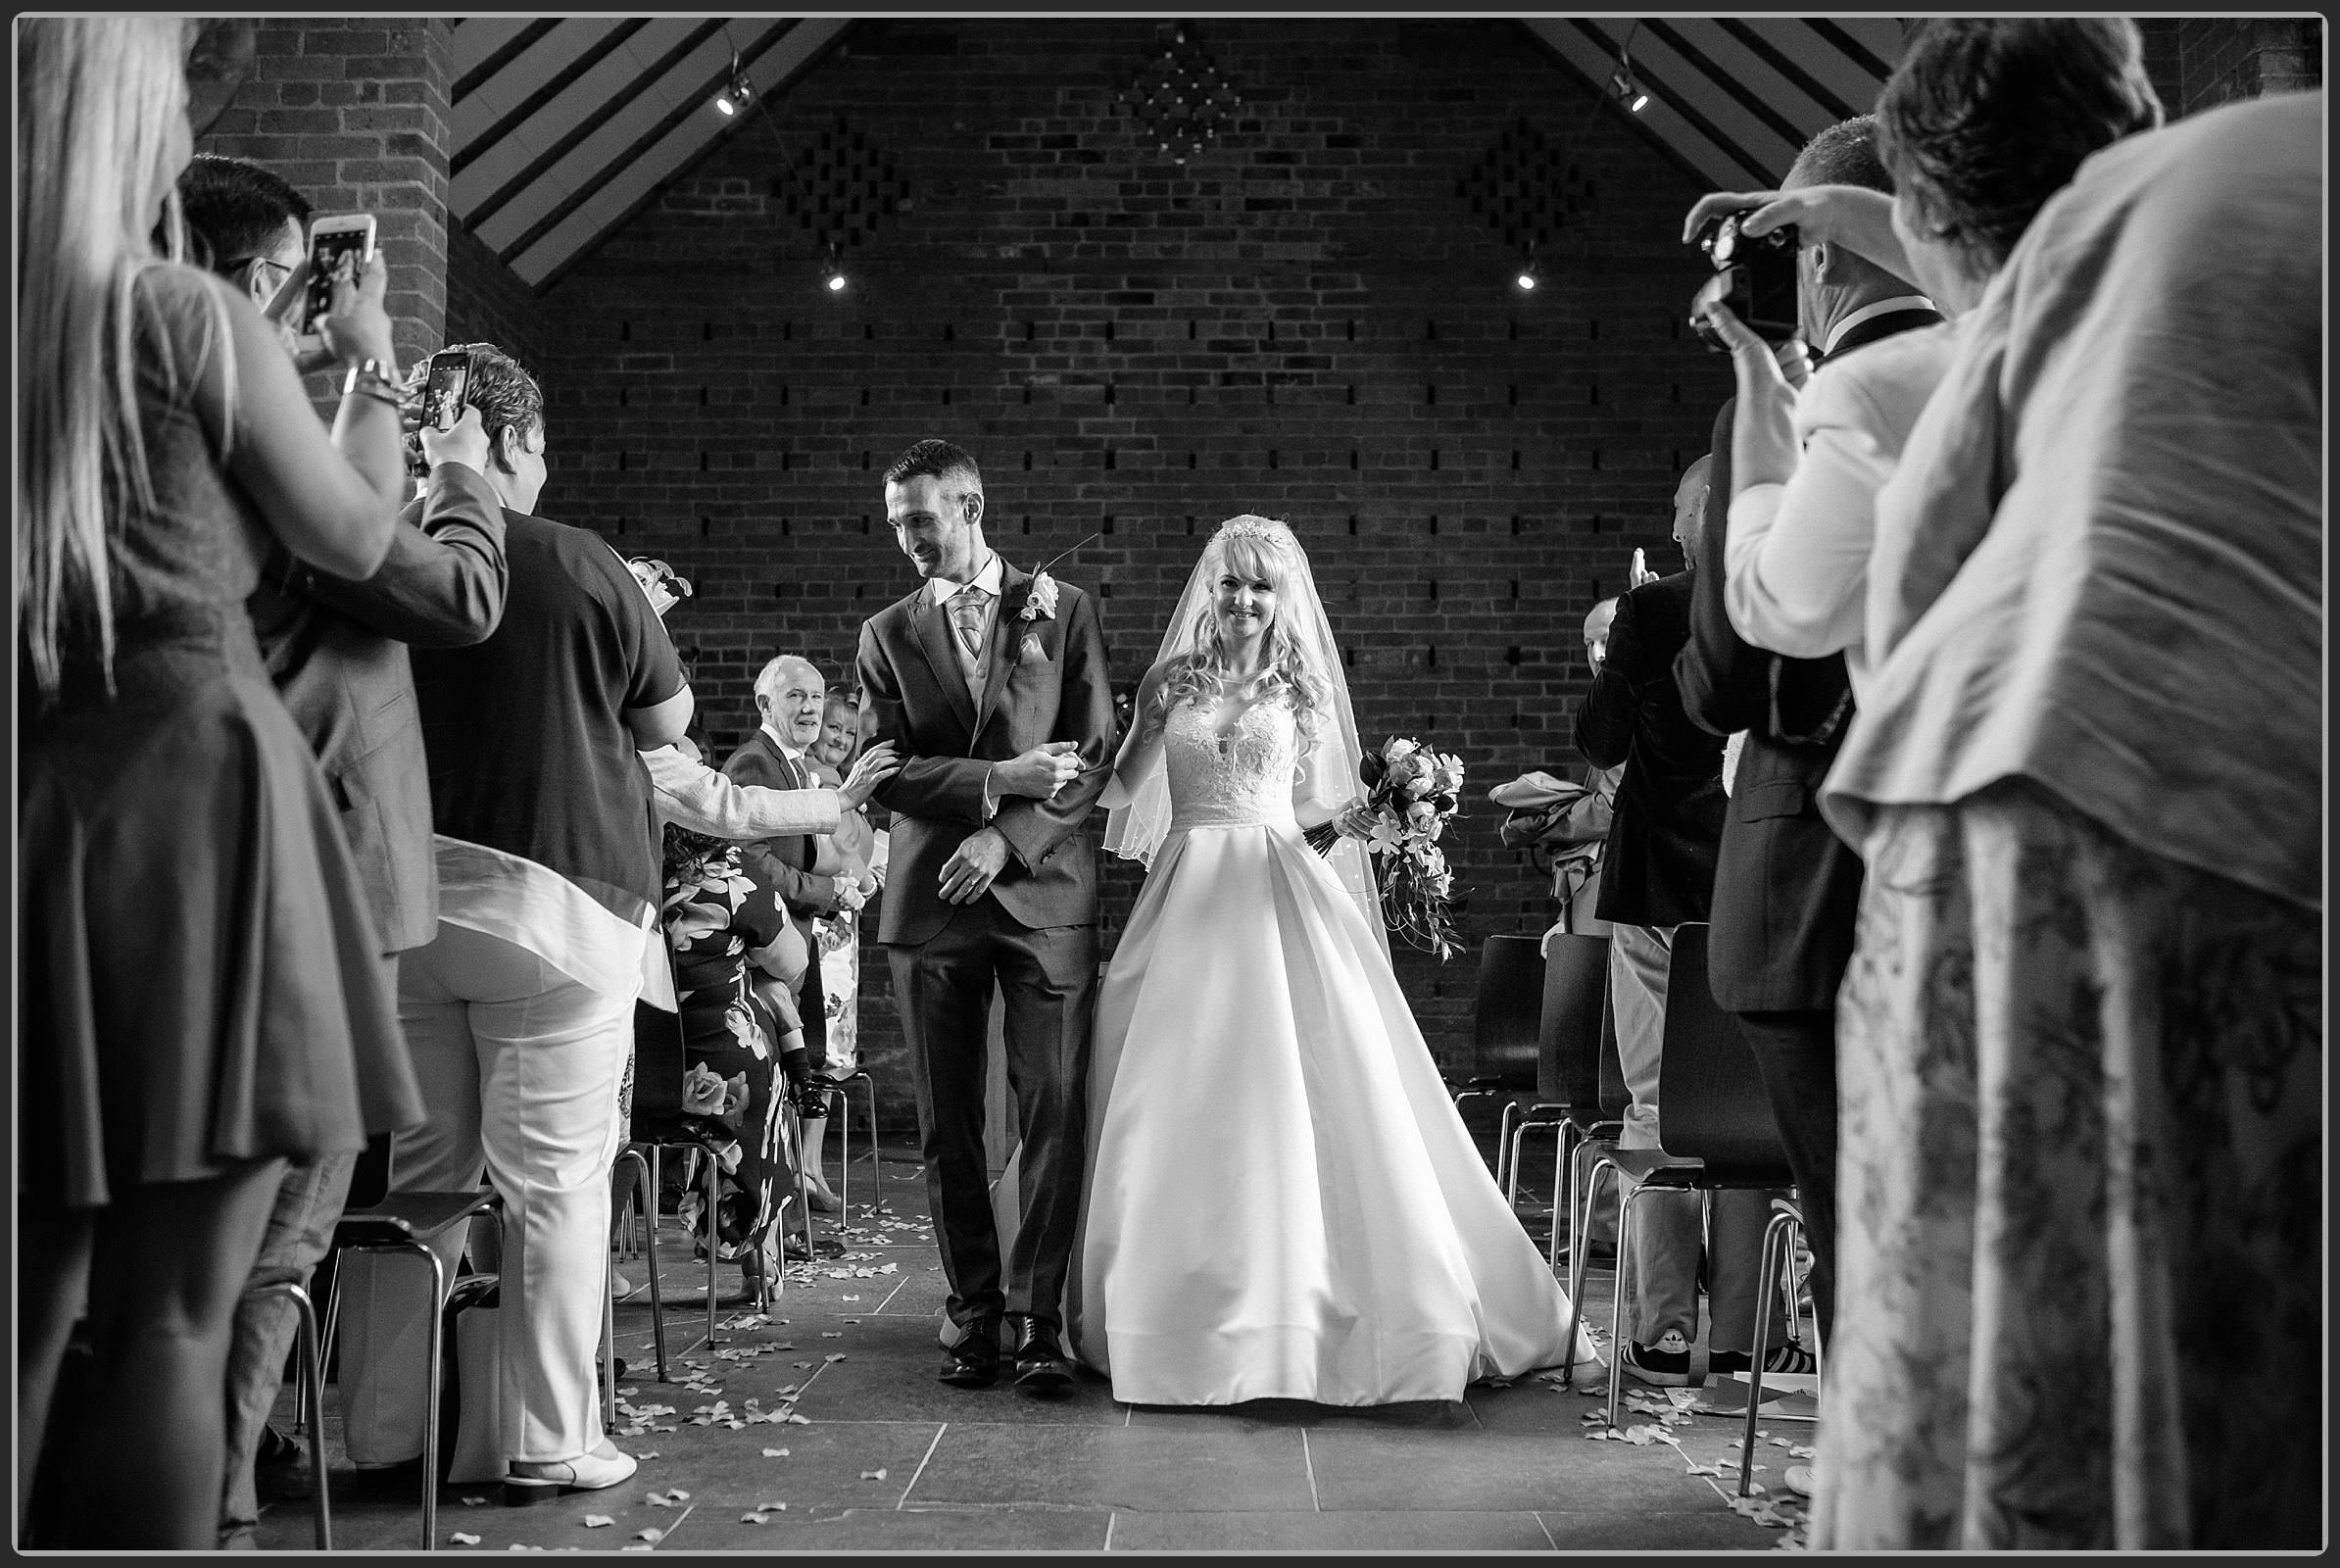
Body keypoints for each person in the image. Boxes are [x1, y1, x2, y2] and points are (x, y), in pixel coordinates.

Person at [1825, 32, 2309, 1552]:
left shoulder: (2096, 227)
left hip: (1989, 794)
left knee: (1997, 1319)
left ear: (1932, 214)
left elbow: (1914, 568)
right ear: (2134, 106)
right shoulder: (2236, 164)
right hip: (2258, 795)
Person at [17, 16, 419, 1546]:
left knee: (27, 1306)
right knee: (176, 1323)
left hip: (32, 808)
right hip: (187, 807)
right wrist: (369, 374)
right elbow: (356, 539)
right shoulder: (177, 314)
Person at [173, 150, 516, 1548]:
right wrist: (454, 465)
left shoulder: (167, 409)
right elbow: (461, 591)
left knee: (206, 1210)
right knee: (290, 1216)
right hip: (322, 854)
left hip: (212, 848)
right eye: (295, 278)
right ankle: (218, 1481)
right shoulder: (282, 463)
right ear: (263, 277)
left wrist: (329, 369)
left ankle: (219, 1444)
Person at [1072, 515, 1600, 1404]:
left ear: (1281, 601)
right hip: (1187, 896)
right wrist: (1135, 732)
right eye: (1229, 583)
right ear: (1210, 591)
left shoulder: (1301, 689)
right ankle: (1173, 1310)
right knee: (1173, 1092)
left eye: (1259, 586)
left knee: (1308, 1084)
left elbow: (1317, 818)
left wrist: (1368, 823)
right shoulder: (1172, 680)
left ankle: (1321, 1308)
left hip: (1281, 886)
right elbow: (1123, 793)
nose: (1242, 600)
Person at [331, 344, 686, 1498]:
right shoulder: (581, 564)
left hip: (408, 905)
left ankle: (385, 1435)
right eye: (536, 446)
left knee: (421, 1180)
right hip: (550, 907)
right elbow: (665, 718)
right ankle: (542, 1440)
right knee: (551, 1183)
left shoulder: (378, 555)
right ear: (513, 444)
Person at [1669, 117, 1945, 1366]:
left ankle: (1878, 1485)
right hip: (1968, 862)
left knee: (1854, 1214)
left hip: (1806, 882)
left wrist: (1756, 419)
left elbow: (1732, 670)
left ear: (1820, 261)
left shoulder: (1821, 400)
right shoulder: (2013, 359)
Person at [854, 438, 1116, 1395]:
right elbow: (885, 770)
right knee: (947, 1122)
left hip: (1044, 897)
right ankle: (974, 1315)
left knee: (1053, 1108)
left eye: (920, 519)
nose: (908, 538)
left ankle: (1040, 1319)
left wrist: (1007, 838)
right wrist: (997, 783)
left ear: (970, 504)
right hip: (929, 906)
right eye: (895, 523)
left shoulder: (1064, 609)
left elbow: (1092, 749)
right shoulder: (886, 631)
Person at [1572, 461, 1798, 1387]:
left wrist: (1627, 650)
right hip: (1757, 889)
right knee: (1749, 1113)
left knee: (1659, 1104)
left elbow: (1600, 741)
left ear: (1708, 509)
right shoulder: (1793, 597)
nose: (1670, 531)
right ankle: (1748, 1334)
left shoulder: (1657, 607)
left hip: (1663, 885)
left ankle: (1665, 1332)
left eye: (1678, 511)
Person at [723, 656, 871, 1241]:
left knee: (798, 1073)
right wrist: (826, 890)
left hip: (795, 937)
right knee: (776, 1084)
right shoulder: (755, 762)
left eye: (815, 696)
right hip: (767, 944)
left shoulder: (790, 764)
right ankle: (762, 1222)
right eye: (795, 698)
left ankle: (779, 1216)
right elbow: (751, 859)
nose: (810, 708)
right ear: (765, 705)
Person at [801, 688, 888, 1212]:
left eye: (849, 732)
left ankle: (812, 1162)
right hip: (820, 930)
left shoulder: (842, 787)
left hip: (841, 936)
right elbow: (833, 856)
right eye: (832, 726)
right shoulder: (812, 783)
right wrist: (865, 874)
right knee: (819, 1052)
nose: (839, 738)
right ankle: (805, 1167)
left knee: (833, 1053)